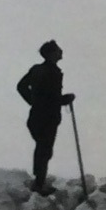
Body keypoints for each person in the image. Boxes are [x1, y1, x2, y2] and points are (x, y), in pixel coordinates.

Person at [16, 39, 74, 195]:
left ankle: (39, 180)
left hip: (36, 115)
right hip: (48, 117)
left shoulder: (37, 69)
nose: (61, 51)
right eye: (57, 50)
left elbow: (21, 86)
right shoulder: (53, 72)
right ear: (50, 54)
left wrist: (33, 101)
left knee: (43, 148)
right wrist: (64, 100)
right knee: (44, 149)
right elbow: (52, 97)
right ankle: (39, 184)